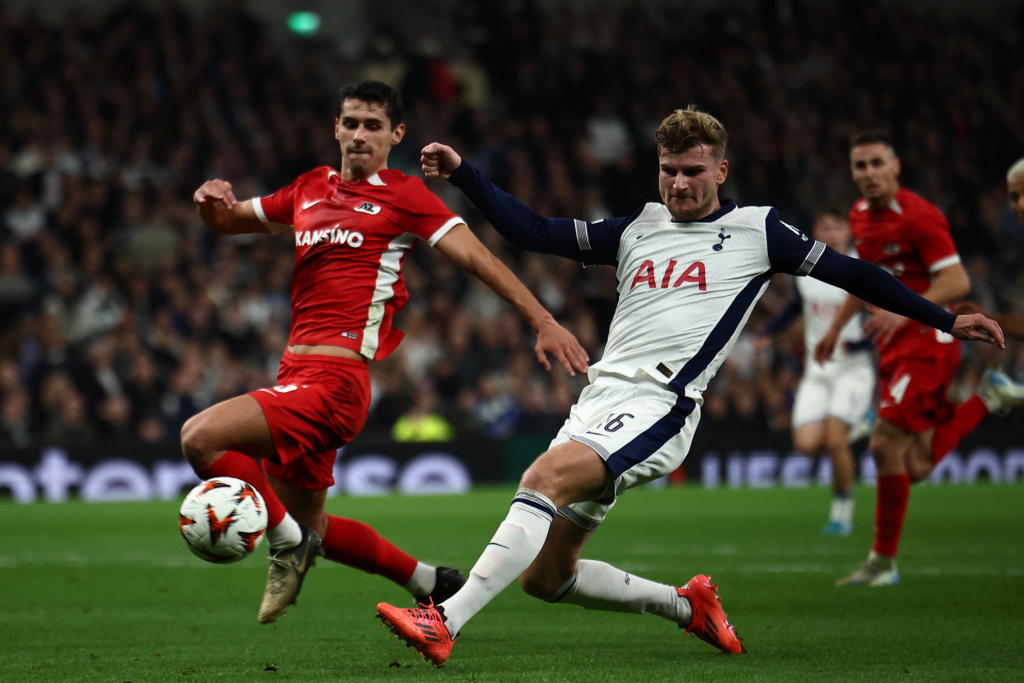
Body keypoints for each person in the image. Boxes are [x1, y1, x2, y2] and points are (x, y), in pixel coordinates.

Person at [374, 107, 1005, 666]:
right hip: (598, 399)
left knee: (541, 478)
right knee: (547, 577)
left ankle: (444, 620)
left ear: (721, 170)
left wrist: (946, 318)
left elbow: (854, 273)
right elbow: (535, 232)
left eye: (693, 172)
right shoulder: (636, 227)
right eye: (669, 169)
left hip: (661, 406)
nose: (679, 183)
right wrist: (464, 174)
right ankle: (688, 607)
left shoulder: (762, 232)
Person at [184, 81, 589, 625]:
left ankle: (288, 546)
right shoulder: (308, 189)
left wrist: (542, 320)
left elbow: (477, 259)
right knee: (312, 525)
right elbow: (230, 221)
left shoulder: (405, 197)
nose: (358, 135)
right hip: (295, 372)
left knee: (200, 438)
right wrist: (211, 204)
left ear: (396, 135)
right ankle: (428, 580)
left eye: (373, 125)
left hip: (335, 383)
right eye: (350, 122)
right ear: (335, 127)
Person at [814, 133, 1024, 588]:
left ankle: (882, 562)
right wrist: (834, 329)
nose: (868, 173)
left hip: (928, 342)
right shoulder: (859, 217)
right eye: (859, 166)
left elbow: (956, 279)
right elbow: (864, 281)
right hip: (893, 346)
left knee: (883, 446)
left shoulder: (920, 216)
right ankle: (988, 398)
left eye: (876, 164)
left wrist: (903, 308)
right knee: (917, 464)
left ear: (896, 166)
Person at [757, 209, 874, 536]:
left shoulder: (860, 269)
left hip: (853, 370)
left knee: (835, 441)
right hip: (817, 371)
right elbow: (797, 306)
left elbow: (884, 316)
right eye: (826, 226)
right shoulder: (806, 270)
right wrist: (770, 331)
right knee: (806, 444)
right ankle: (862, 423)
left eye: (838, 226)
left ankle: (842, 514)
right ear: (816, 230)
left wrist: (861, 346)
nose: (833, 232)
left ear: (849, 232)